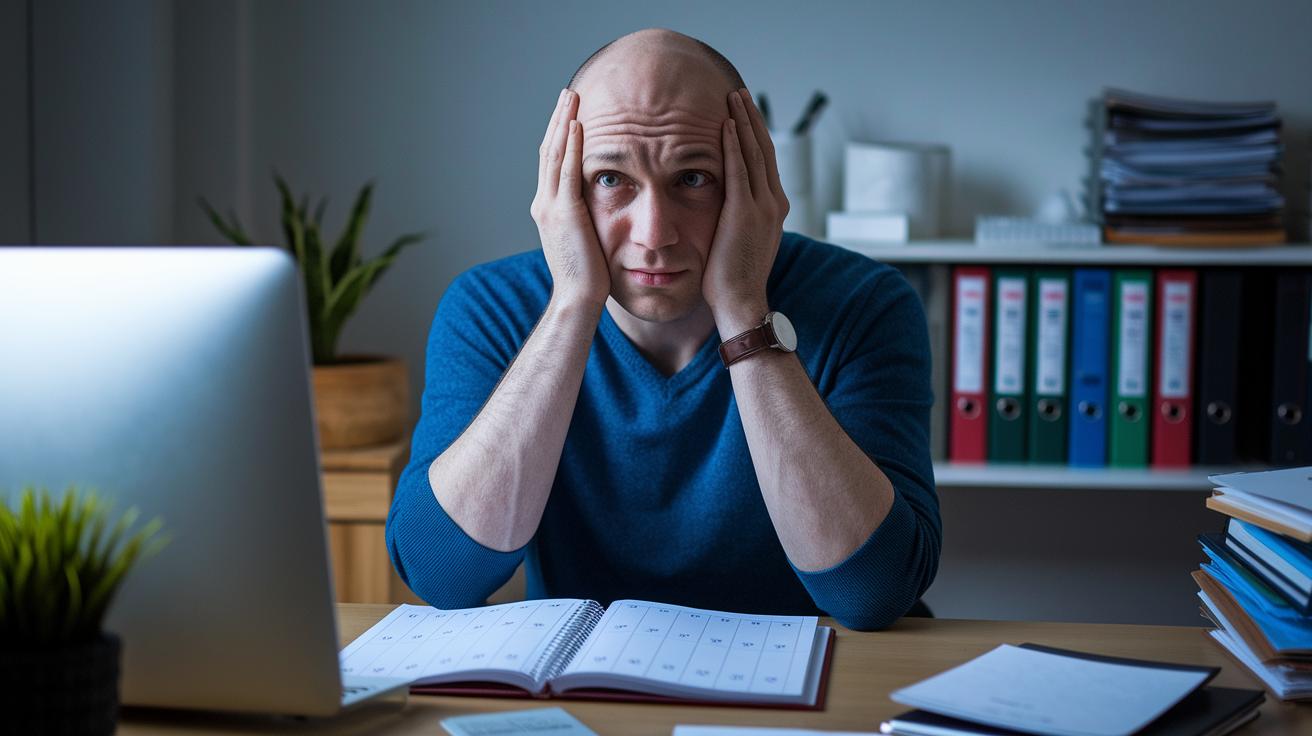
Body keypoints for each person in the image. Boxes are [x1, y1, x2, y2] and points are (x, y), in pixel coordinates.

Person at [386, 28, 939, 631]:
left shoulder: (866, 304)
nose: (654, 234)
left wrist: (742, 310)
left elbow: (874, 591)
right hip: (586, 693)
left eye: (693, 179)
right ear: (561, 187)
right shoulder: (489, 308)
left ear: (751, 182)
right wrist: (573, 301)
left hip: (812, 691)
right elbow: (441, 574)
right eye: (610, 180)